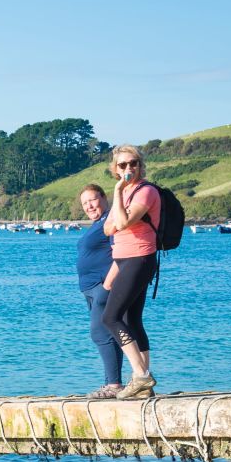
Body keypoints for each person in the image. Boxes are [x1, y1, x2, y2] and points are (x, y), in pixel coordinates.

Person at [101, 145, 158, 399]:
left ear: (140, 165)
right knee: (133, 320)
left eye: (133, 163)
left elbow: (121, 223)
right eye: (122, 165)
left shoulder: (145, 192)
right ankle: (145, 385)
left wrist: (116, 191)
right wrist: (120, 198)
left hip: (139, 258)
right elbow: (107, 229)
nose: (128, 169)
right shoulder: (126, 195)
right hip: (124, 259)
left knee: (110, 318)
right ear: (115, 168)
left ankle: (141, 376)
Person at [77, 184, 124, 398]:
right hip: (92, 289)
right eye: (85, 203)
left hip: (102, 286)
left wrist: (107, 286)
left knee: (99, 333)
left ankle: (113, 385)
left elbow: (121, 253)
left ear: (104, 198)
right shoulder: (98, 223)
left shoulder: (111, 220)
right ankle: (112, 384)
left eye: (92, 200)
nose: (89, 206)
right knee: (109, 334)